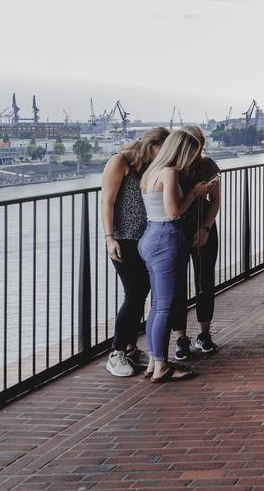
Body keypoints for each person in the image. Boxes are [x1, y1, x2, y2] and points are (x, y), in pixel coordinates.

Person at [138, 130, 214, 383]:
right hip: (165, 237)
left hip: (150, 236)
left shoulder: (151, 171)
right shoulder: (169, 173)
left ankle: (153, 361)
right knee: (164, 307)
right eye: (191, 151)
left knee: (157, 304)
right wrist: (194, 192)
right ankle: (161, 365)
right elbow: (173, 213)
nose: (194, 156)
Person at [102, 127, 169, 377]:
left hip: (145, 238)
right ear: (150, 144)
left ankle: (130, 349)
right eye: (161, 150)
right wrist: (109, 238)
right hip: (123, 238)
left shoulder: (148, 166)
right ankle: (115, 352)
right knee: (135, 292)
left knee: (142, 292)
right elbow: (107, 201)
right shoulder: (120, 160)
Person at [170, 126, 223, 361]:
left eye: (200, 145)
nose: (198, 149)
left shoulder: (208, 165)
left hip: (203, 228)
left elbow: (215, 201)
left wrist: (206, 228)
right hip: (176, 232)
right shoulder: (171, 168)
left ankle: (204, 334)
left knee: (205, 281)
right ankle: (181, 337)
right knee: (176, 285)